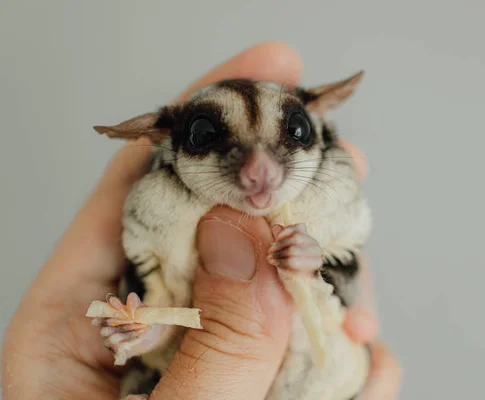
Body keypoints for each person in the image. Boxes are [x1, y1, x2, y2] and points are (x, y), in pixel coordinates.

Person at [1, 41, 401, 400]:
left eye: (294, 131)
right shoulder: (161, 213)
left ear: (319, 128)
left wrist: (314, 267)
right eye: (206, 133)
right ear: (166, 141)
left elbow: (340, 291)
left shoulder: (328, 200)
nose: (260, 168)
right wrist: (138, 330)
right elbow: (163, 318)